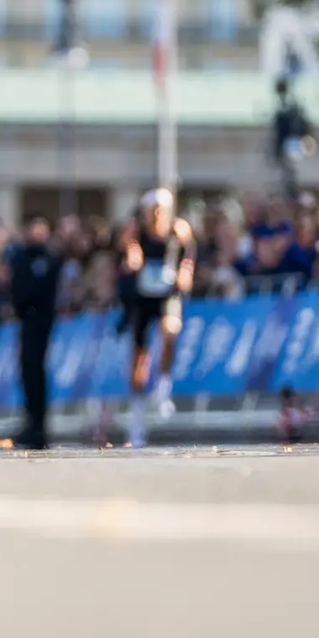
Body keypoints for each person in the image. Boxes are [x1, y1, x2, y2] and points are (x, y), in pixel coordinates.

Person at [118, 188, 196, 447]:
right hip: (143, 296)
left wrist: (186, 271)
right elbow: (129, 249)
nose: (157, 216)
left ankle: (163, 384)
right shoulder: (136, 230)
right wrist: (132, 258)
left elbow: (189, 252)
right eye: (153, 211)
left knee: (170, 330)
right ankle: (137, 415)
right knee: (140, 355)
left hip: (167, 293)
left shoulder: (178, 228)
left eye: (161, 210)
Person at [9, 217, 59, 450]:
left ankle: (39, 423)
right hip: (26, 321)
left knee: (37, 370)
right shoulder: (21, 257)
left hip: (42, 320)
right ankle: (30, 421)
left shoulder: (48, 257)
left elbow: (41, 288)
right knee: (27, 370)